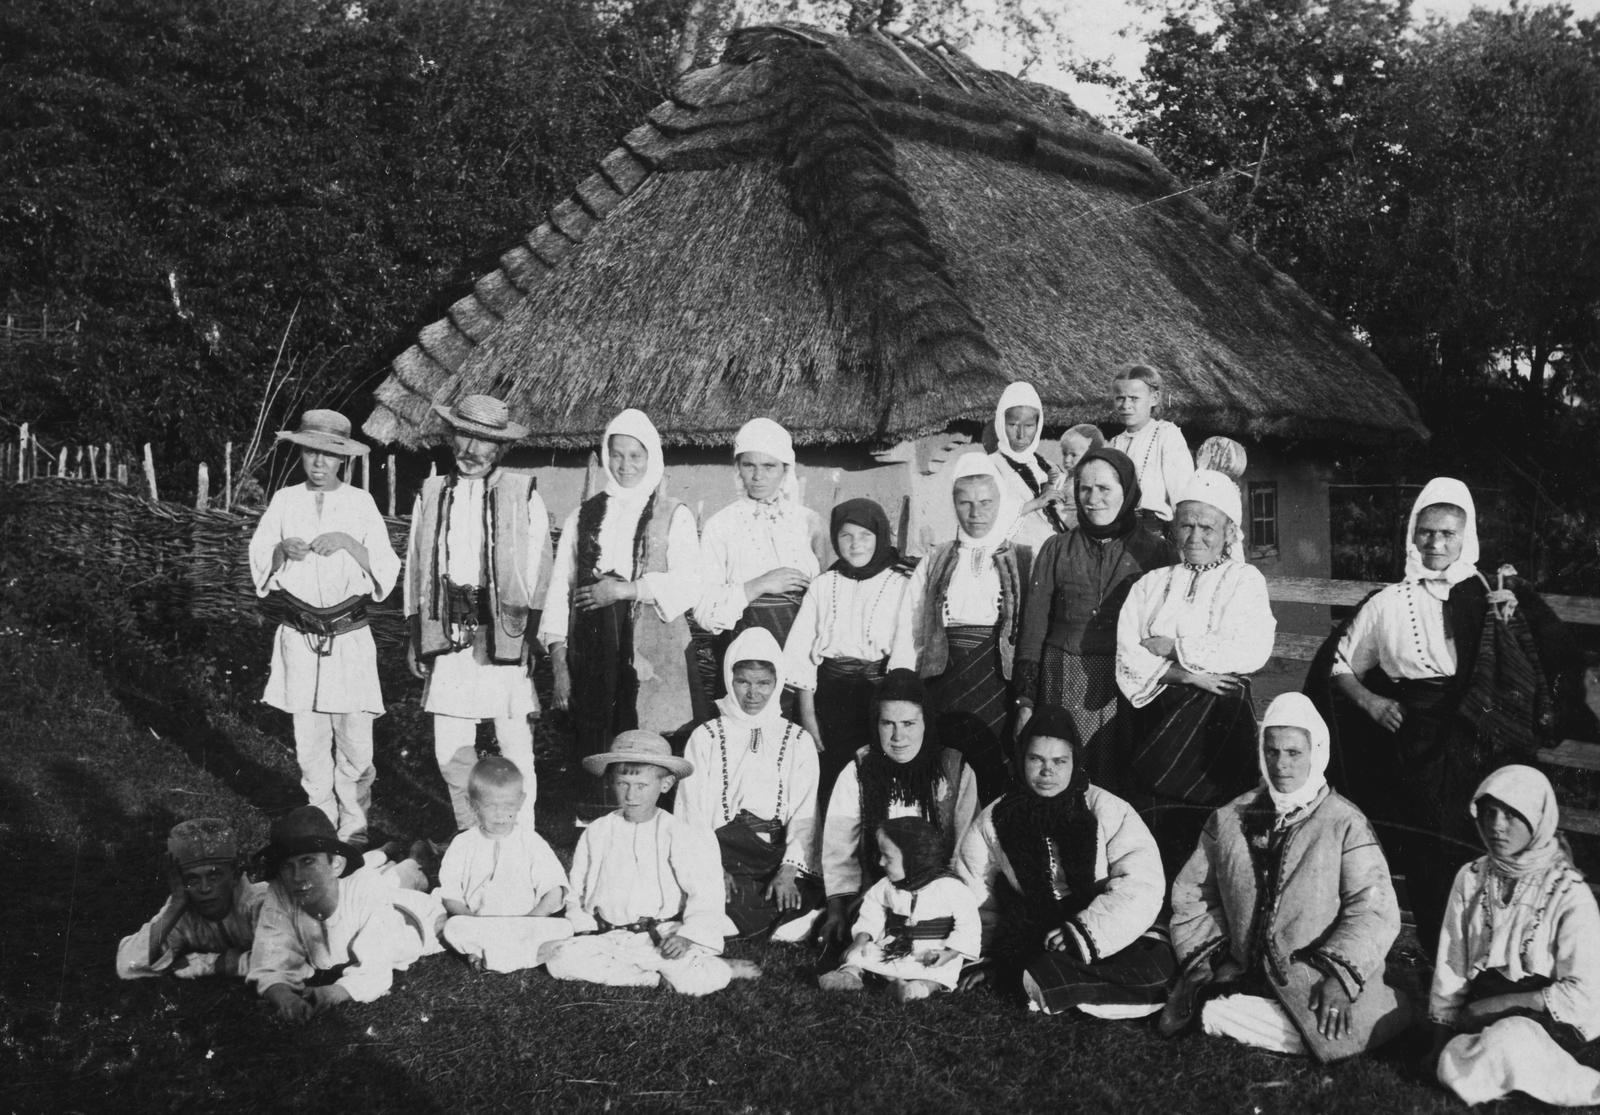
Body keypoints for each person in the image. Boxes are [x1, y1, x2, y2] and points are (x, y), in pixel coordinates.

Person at [1305, 478, 1587, 948]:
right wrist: (1371, 701)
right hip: (1416, 737)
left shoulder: (1490, 593)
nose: (1436, 543)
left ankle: (1491, 959)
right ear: (1412, 535)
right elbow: (1339, 665)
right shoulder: (1386, 602)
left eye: (1448, 534)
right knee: (1426, 848)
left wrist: (1516, 615)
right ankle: (1438, 962)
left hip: (1481, 736)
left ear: (1466, 538)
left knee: (1487, 843)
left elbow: (1539, 658)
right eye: (1426, 532)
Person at [1160, 694, 1411, 1062]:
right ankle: (1258, 1020)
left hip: (1312, 975)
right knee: (1222, 1009)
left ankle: (1285, 1024)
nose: (1281, 765)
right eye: (1272, 751)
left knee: (1332, 1024)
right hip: (1241, 971)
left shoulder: (1345, 823)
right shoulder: (1229, 818)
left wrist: (1340, 979)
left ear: (1316, 753)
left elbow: (1373, 910)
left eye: (1294, 753)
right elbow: (1194, 893)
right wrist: (1203, 962)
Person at [542, 409, 706, 824]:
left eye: (636, 456)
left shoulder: (674, 513)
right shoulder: (583, 516)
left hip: (652, 654)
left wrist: (624, 590)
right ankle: (597, 832)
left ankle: (653, 832)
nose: (625, 465)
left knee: (649, 743)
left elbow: (690, 583)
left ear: (652, 458)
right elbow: (560, 592)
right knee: (595, 745)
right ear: (604, 456)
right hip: (592, 654)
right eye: (617, 455)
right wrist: (560, 665)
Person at [956, 708, 1172, 1017]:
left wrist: (1084, 932)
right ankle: (1053, 984)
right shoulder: (993, 819)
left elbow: (1141, 884)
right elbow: (976, 894)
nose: (1048, 772)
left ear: (1075, 763)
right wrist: (987, 958)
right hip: (1034, 932)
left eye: (1059, 761)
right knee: (1031, 959)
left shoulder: (1107, 809)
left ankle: (1044, 984)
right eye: (1036, 759)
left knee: (1157, 966)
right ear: (1021, 760)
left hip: (1098, 923)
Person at [249, 409, 401, 848]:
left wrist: (347, 543)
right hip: (299, 635)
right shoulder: (284, 500)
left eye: (329, 455)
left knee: (355, 741)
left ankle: (354, 828)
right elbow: (261, 556)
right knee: (310, 741)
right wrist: (281, 549)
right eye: (311, 452)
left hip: (348, 637)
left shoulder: (360, 503)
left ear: (343, 460)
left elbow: (386, 567)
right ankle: (319, 822)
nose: (318, 463)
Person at [1116, 469, 1276, 871]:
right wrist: (1188, 674)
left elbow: (1249, 648)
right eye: (1186, 525)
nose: (1194, 537)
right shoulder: (1150, 584)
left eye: (1208, 527)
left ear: (1229, 533)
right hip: (1157, 710)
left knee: (1216, 829)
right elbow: (1126, 655)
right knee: (1152, 821)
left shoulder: (1244, 580)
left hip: (1217, 718)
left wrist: (1174, 648)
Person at [405, 394, 549, 834]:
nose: (471, 451)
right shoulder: (430, 493)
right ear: (451, 436)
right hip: (448, 632)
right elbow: (415, 566)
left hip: (502, 633)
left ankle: (520, 836)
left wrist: (530, 636)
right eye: (464, 436)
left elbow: (539, 571)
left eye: (483, 441)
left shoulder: (522, 494)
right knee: (451, 747)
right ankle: (470, 834)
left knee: (514, 742)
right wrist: (416, 633)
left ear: (500, 447)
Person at [1429, 765, 1600, 1107]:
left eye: (1511, 815)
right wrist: (1437, 1040)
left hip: (1553, 1023)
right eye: (1489, 813)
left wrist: (1497, 1006)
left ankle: (1556, 1078)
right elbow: (1453, 962)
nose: (1496, 826)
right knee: (1458, 1055)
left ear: (1537, 820)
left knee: (1511, 1039)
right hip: (1484, 1013)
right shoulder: (1472, 877)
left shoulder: (1568, 892)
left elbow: (1583, 993)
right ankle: (1517, 1080)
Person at [544, 731, 760, 996]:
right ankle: (649, 980)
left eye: (641, 786)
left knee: (697, 982)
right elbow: (578, 889)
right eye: (623, 784)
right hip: (608, 937)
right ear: (611, 782)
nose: (630, 796)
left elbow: (705, 894)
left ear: (666, 784)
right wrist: (584, 929)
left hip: (661, 937)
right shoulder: (598, 831)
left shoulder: (678, 833)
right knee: (560, 960)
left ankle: (719, 967)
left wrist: (687, 936)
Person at [1014, 447, 1175, 796]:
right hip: (1061, 680)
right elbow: (1033, 630)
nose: (1093, 499)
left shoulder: (1156, 552)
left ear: (1127, 491)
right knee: (1060, 778)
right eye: (1085, 489)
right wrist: (1025, 703)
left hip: (1127, 684)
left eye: (1104, 489)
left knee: (1118, 782)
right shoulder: (1056, 549)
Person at [891, 453, 1032, 800]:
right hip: (945, 678)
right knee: (946, 776)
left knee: (995, 772)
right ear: (953, 504)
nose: (976, 513)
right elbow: (912, 628)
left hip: (999, 683)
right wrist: (902, 689)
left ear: (1002, 500)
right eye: (964, 502)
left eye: (986, 502)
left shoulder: (1026, 557)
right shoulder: (936, 558)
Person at [818, 669, 980, 956]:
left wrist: (949, 904)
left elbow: (964, 852)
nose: (897, 736)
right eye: (887, 723)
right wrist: (836, 911)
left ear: (926, 723)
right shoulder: (861, 768)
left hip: (942, 896)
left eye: (908, 723)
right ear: (875, 724)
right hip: (878, 895)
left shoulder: (954, 769)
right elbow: (838, 848)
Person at [677, 628, 824, 941]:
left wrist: (788, 870)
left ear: (777, 682)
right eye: (743, 681)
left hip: (775, 853)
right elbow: (691, 809)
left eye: (763, 683)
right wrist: (713, 867)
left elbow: (806, 811)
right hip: (723, 851)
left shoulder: (798, 739)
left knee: (798, 905)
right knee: (713, 897)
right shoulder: (706, 736)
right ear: (730, 680)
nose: (753, 694)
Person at [248, 807, 445, 1022]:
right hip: (376, 896)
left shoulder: (365, 886)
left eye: (308, 861)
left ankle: (417, 862)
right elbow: (268, 961)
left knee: (410, 885)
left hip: (412, 918)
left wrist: (330, 992)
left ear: (337, 864)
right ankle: (404, 859)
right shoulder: (280, 890)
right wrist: (285, 998)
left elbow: (375, 971)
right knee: (389, 881)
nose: (297, 877)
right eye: (287, 865)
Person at [786, 498, 915, 802]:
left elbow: (906, 650)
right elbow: (801, 655)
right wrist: (808, 717)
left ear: (880, 535)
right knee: (830, 781)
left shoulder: (900, 583)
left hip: (879, 695)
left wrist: (893, 710)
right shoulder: (823, 584)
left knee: (877, 781)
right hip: (828, 700)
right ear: (834, 538)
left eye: (865, 536)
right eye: (846, 536)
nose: (856, 545)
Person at [695, 418, 829, 707]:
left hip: (801, 652)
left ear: (786, 469)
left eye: (769, 466)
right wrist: (760, 585)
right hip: (744, 653)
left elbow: (829, 597)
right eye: (749, 465)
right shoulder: (721, 525)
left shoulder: (810, 522)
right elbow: (705, 611)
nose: (758, 476)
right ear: (737, 468)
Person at [435, 756, 573, 973]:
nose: (500, 814)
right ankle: (520, 956)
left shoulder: (530, 841)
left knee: (564, 927)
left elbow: (553, 889)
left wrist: (532, 920)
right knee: (453, 927)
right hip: (480, 924)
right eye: (490, 805)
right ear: (472, 804)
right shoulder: (462, 844)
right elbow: (451, 895)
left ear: (520, 801)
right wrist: (472, 921)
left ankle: (488, 956)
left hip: (524, 923)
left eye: (508, 805)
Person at [819, 817, 981, 1000]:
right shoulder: (886, 886)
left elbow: (968, 926)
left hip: (930, 953)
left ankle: (913, 990)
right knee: (860, 954)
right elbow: (872, 913)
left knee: (939, 973)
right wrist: (861, 940)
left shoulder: (951, 888)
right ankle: (849, 975)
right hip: (893, 947)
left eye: (887, 857)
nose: (880, 863)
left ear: (914, 859)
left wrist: (949, 953)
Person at [116, 818, 267, 980]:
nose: (204, 888)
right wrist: (175, 905)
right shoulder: (182, 909)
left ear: (234, 874)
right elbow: (128, 964)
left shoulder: (259, 901)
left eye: (214, 875)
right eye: (192, 879)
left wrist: (208, 964)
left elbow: (286, 960)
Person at [1108, 364, 1193, 528]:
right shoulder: (1114, 443)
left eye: (1134, 398)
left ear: (1154, 398)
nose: (1126, 405)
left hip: (1153, 529)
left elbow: (1181, 493)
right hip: (1118, 528)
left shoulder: (1166, 434)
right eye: (1120, 398)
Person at [988, 382, 1068, 551]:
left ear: (1038, 426)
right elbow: (987, 515)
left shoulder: (1048, 468)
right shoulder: (990, 466)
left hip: (1053, 556)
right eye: (1013, 425)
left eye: (1029, 426)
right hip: (1016, 559)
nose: (1021, 435)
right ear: (1001, 423)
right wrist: (1036, 503)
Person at [1054, 423, 1106, 532]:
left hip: (1077, 527)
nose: (1067, 460)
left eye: (1073, 455)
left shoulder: (1092, 481)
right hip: (1058, 525)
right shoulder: (1062, 478)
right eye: (1064, 454)